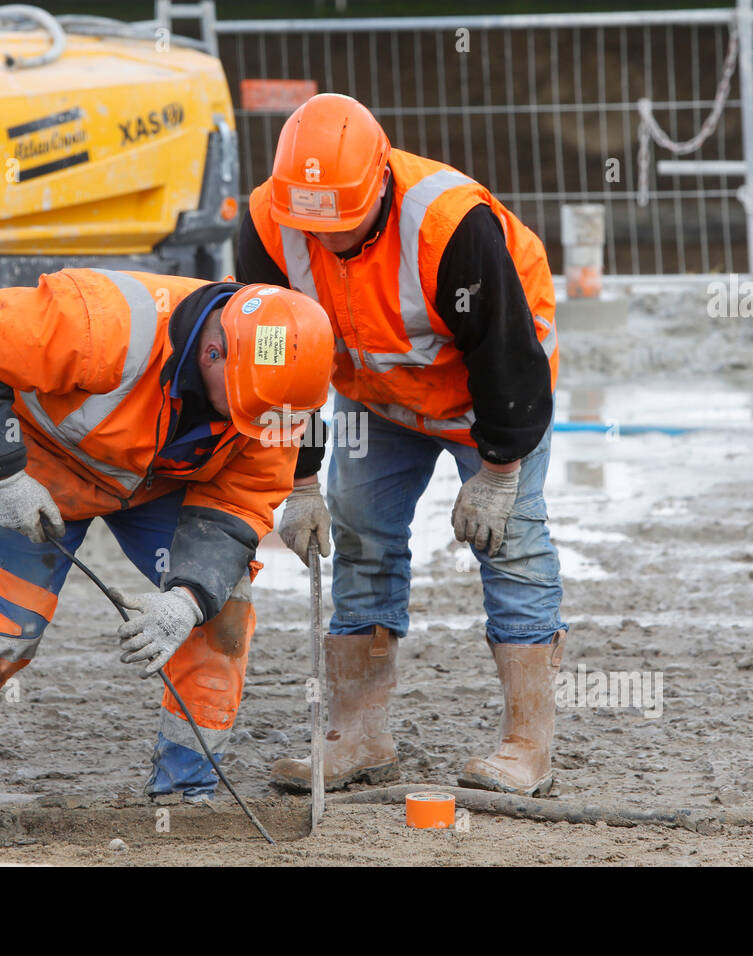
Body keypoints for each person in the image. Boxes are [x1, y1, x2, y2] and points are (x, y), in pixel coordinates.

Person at [0, 269, 334, 808]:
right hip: (35, 473)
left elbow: (235, 504)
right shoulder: (102, 325)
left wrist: (188, 597)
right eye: (249, 412)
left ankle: (184, 793)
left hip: (156, 484)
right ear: (213, 353)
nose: (259, 428)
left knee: (221, 614)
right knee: (1, 636)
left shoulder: (272, 399)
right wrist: (1, 472)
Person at [236, 93, 566, 797]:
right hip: (377, 394)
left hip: (492, 390)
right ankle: (359, 735)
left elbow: (508, 356)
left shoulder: (451, 228)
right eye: (312, 228)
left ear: (380, 182)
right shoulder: (269, 222)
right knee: (360, 536)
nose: (324, 242)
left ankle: (525, 745)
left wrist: (499, 470)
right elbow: (274, 361)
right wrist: (297, 480)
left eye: (342, 227)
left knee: (511, 545)